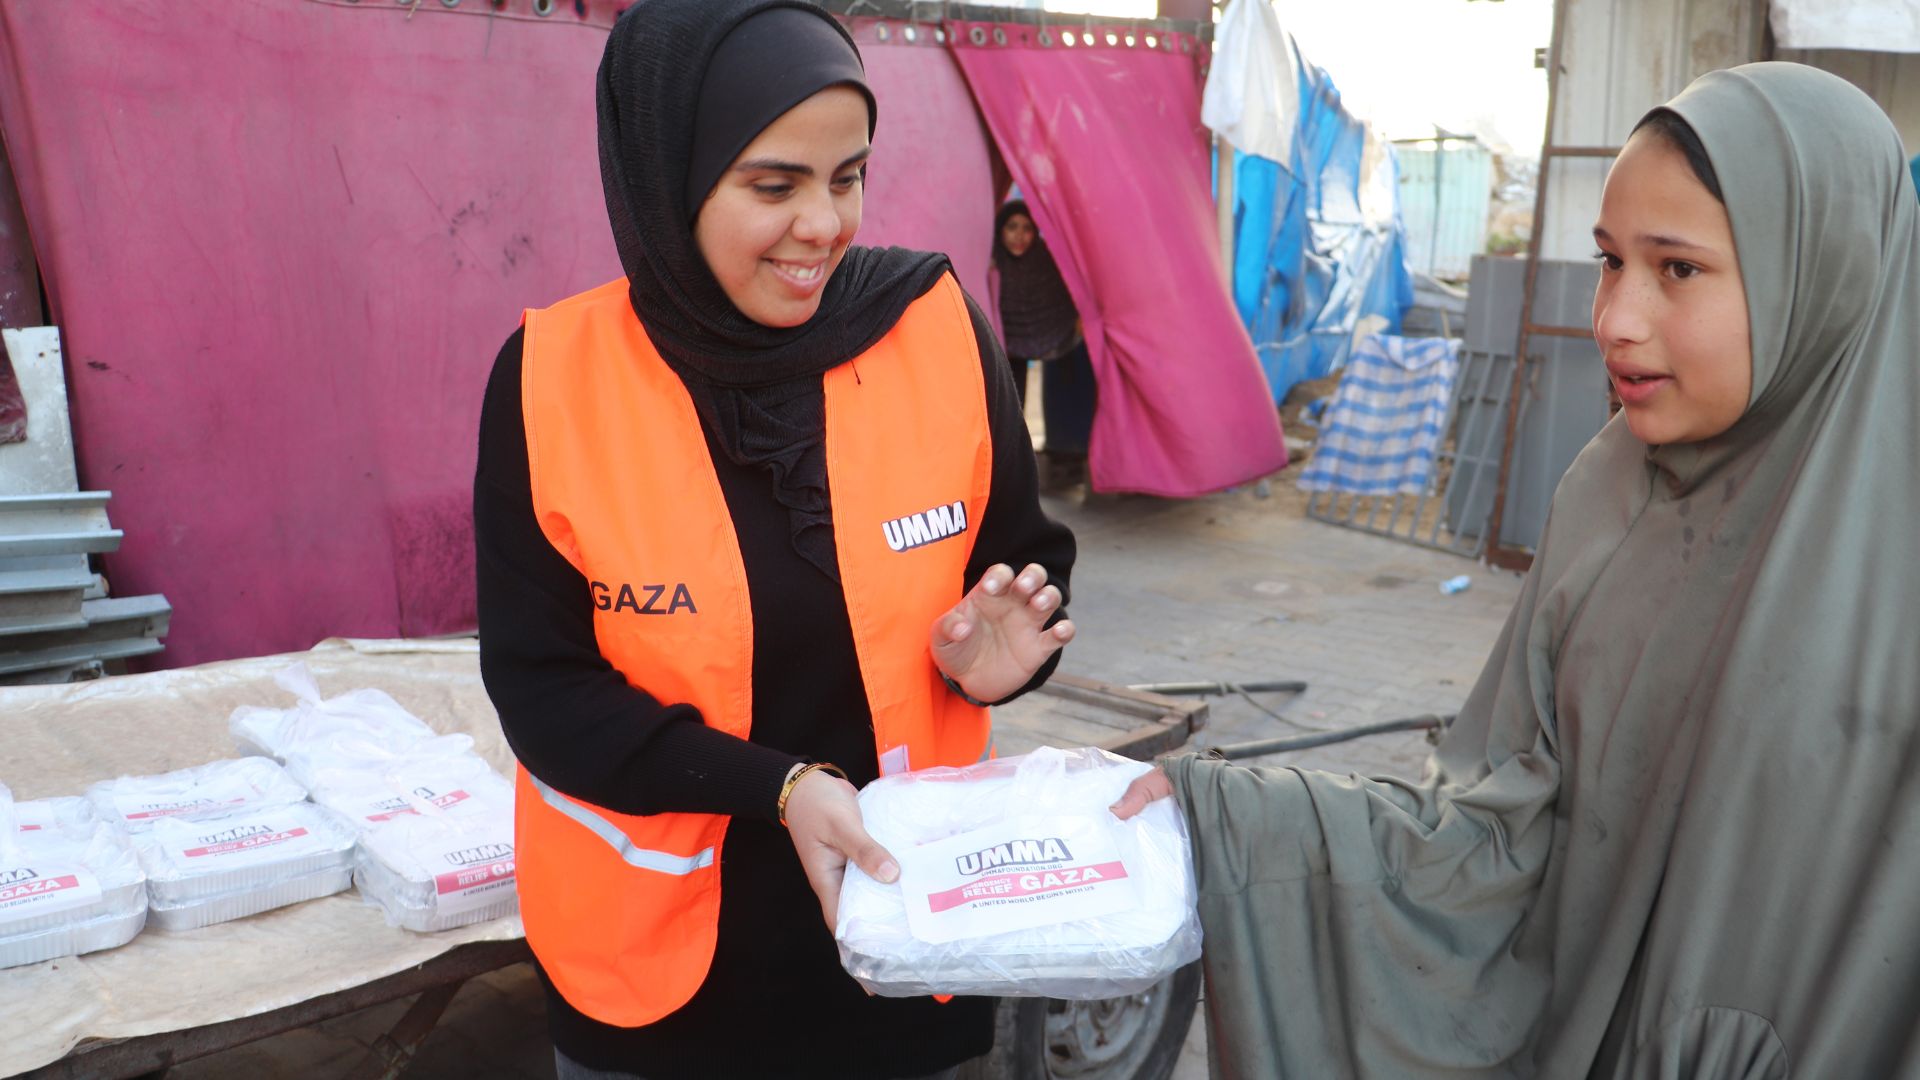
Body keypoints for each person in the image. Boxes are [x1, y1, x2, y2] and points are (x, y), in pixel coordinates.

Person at [1112, 62, 1920, 1077]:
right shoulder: (1609, 497)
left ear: (1825, 274)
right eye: (1610, 260)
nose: (1615, 318)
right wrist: (1234, 821)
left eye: (1678, 269)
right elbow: (1493, 834)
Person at [472, 3, 1076, 1077]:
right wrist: (780, 788)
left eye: (849, 177)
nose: (824, 225)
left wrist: (999, 662)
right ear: (669, 176)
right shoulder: (552, 382)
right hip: (660, 993)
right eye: (773, 185)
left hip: (910, 955)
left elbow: (1022, 560)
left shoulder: (933, 327)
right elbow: (543, 693)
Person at [990, 200, 1097, 485]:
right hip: (1003, 343)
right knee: (1008, 406)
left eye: (1027, 228)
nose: (1019, 236)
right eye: (1012, 227)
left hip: (1053, 336)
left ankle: (1066, 455)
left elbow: (1065, 298)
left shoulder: (1046, 260)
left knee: (1066, 389)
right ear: (1000, 231)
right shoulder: (991, 264)